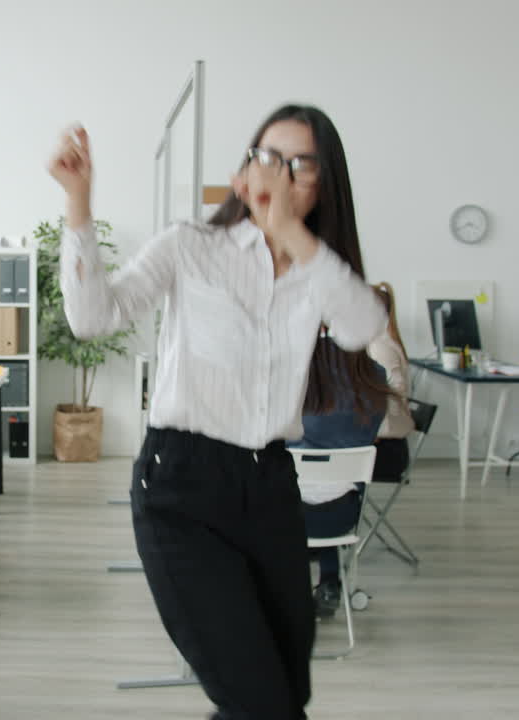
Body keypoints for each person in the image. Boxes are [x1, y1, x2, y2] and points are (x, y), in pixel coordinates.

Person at [49, 104, 385, 719]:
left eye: (299, 164)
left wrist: (292, 236)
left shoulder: (318, 271)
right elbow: (91, 317)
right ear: (243, 171)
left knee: (285, 694)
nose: (277, 175)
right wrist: (78, 203)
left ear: (323, 183)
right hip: (182, 486)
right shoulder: (190, 247)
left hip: (271, 485)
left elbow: (364, 325)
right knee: (258, 702)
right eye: (266, 156)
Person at [292, 332, 389, 619]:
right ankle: (330, 580)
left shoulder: (296, 380)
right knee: (335, 489)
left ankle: (284, 586)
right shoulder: (375, 378)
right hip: (342, 519)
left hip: (286, 517)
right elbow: (371, 437)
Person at [367, 281, 415, 479]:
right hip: (382, 443)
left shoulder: (380, 347)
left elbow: (397, 390)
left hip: (385, 450)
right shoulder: (379, 342)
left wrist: (375, 431)